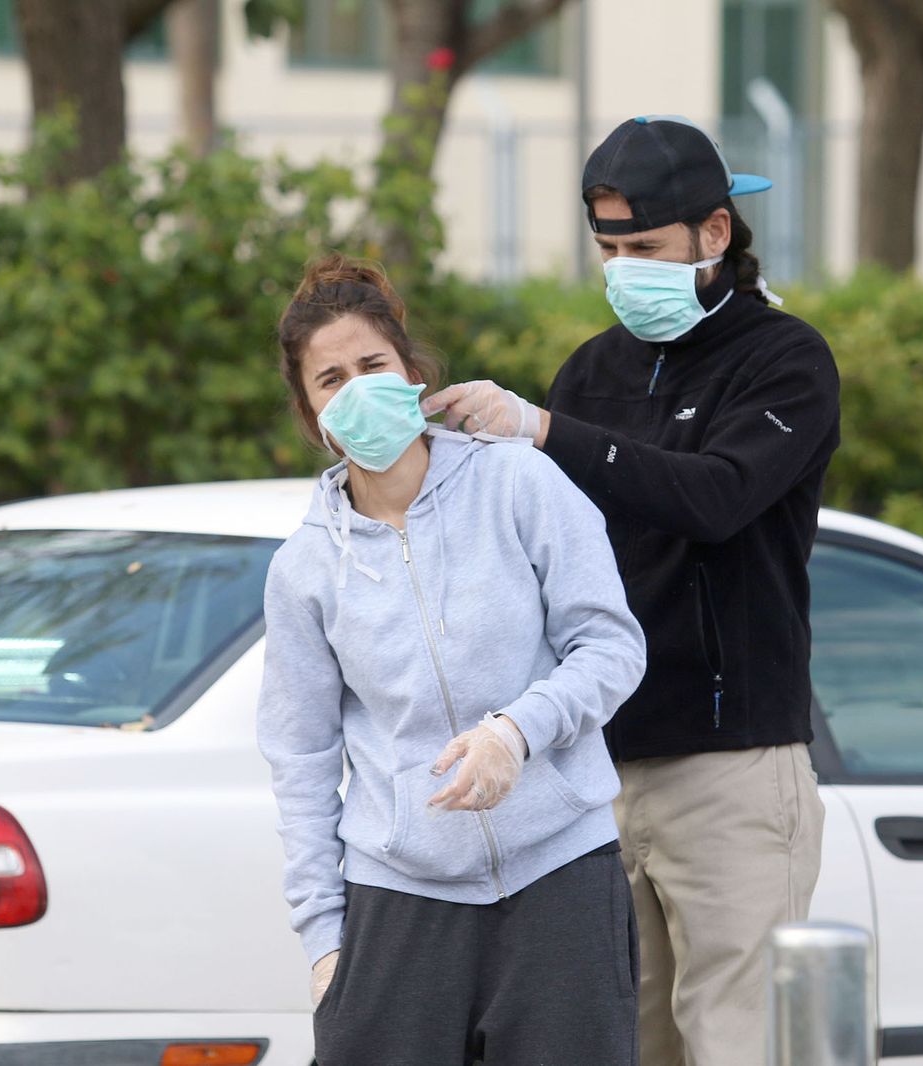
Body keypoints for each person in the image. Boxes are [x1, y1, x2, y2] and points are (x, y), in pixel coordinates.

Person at [423, 115, 840, 1066]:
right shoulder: (592, 368)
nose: (624, 269)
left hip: (732, 769)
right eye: (608, 249)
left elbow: (718, 498)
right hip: (592, 768)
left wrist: (543, 429)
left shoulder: (786, 359)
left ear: (717, 234)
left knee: (742, 1046)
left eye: (645, 248)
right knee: (608, 1045)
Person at [255, 254, 648, 1066]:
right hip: (397, 897)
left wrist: (517, 732)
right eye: (331, 380)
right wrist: (325, 938)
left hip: (561, 877)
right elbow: (300, 757)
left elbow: (611, 645)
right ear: (310, 410)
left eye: (372, 365)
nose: (356, 388)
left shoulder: (518, 484)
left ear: (410, 372)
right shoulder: (305, 568)